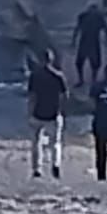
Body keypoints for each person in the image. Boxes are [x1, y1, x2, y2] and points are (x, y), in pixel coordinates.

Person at [27, 48, 68, 179]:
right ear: (52, 60)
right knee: (55, 142)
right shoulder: (58, 77)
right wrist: (61, 111)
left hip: (38, 113)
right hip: (53, 114)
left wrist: (29, 113)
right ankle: (55, 165)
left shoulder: (35, 76)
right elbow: (64, 96)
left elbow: (32, 97)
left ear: (40, 60)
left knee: (36, 143)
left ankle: (37, 168)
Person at [72, 3, 107, 88]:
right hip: (90, 42)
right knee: (84, 63)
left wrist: (73, 41)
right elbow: (106, 29)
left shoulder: (90, 17)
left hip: (88, 42)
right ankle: (89, 80)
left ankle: (88, 80)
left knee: (91, 63)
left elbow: (77, 29)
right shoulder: (97, 17)